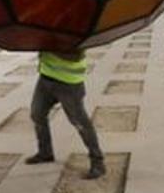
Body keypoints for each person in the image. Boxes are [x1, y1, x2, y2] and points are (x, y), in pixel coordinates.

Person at [25, 50, 105, 179]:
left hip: (69, 83)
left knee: (80, 123)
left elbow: (75, 55)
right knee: (37, 114)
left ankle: (98, 161)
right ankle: (45, 153)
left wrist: (49, 45)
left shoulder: (75, 32)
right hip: (45, 78)